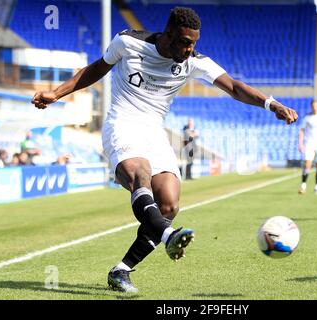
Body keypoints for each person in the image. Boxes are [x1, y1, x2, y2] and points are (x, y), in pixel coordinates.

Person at [31, 7, 298, 293]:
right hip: (122, 124)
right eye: (184, 41)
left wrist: (272, 105)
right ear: (168, 34)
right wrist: (56, 93)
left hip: (154, 133)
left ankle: (121, 270)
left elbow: (233, 86)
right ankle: (169, 236)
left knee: (170, 204)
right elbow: (97, 68)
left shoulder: (194, 61)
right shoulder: (128, 42)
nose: (189, 48)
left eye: (194, 42)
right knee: (140, 175)